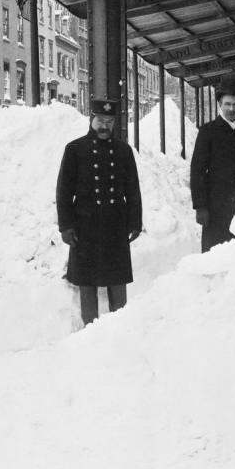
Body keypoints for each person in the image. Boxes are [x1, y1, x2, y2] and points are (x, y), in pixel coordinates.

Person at [56, 98, 142, 326]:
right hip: (85, 226)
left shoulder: (123, 151)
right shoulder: (75, 149)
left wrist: (135, 222)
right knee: (87, 283)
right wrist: (66, 226)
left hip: (116, 225)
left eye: (110, 121)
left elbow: (133, 189)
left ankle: (119, 328)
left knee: (117, 281)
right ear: (91, 119)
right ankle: (89, 331)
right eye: (100, 120)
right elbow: (63, 192)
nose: (105, 126)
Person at [190, 77, 235, 253]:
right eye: (227, 104)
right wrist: (200, 206)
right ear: (220, 103)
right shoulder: (208, 132)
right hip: (216, 208)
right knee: (215, 258)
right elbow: (197, 171)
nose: (231, 109)